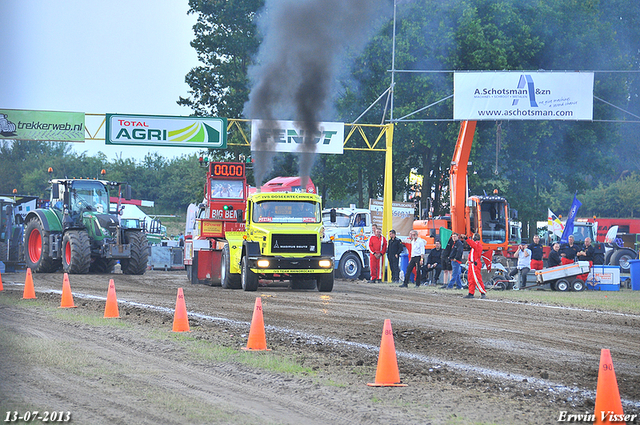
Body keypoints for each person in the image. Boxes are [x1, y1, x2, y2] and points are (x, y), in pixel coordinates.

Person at [463, 233, 486, 299]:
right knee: (471, 279)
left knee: (477, 278)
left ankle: (482, 292)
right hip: (472, 264)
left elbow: (472, 244)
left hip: (475, 264)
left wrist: (466, 239)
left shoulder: (477, 244)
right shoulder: (475, 244)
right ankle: (471, 293)